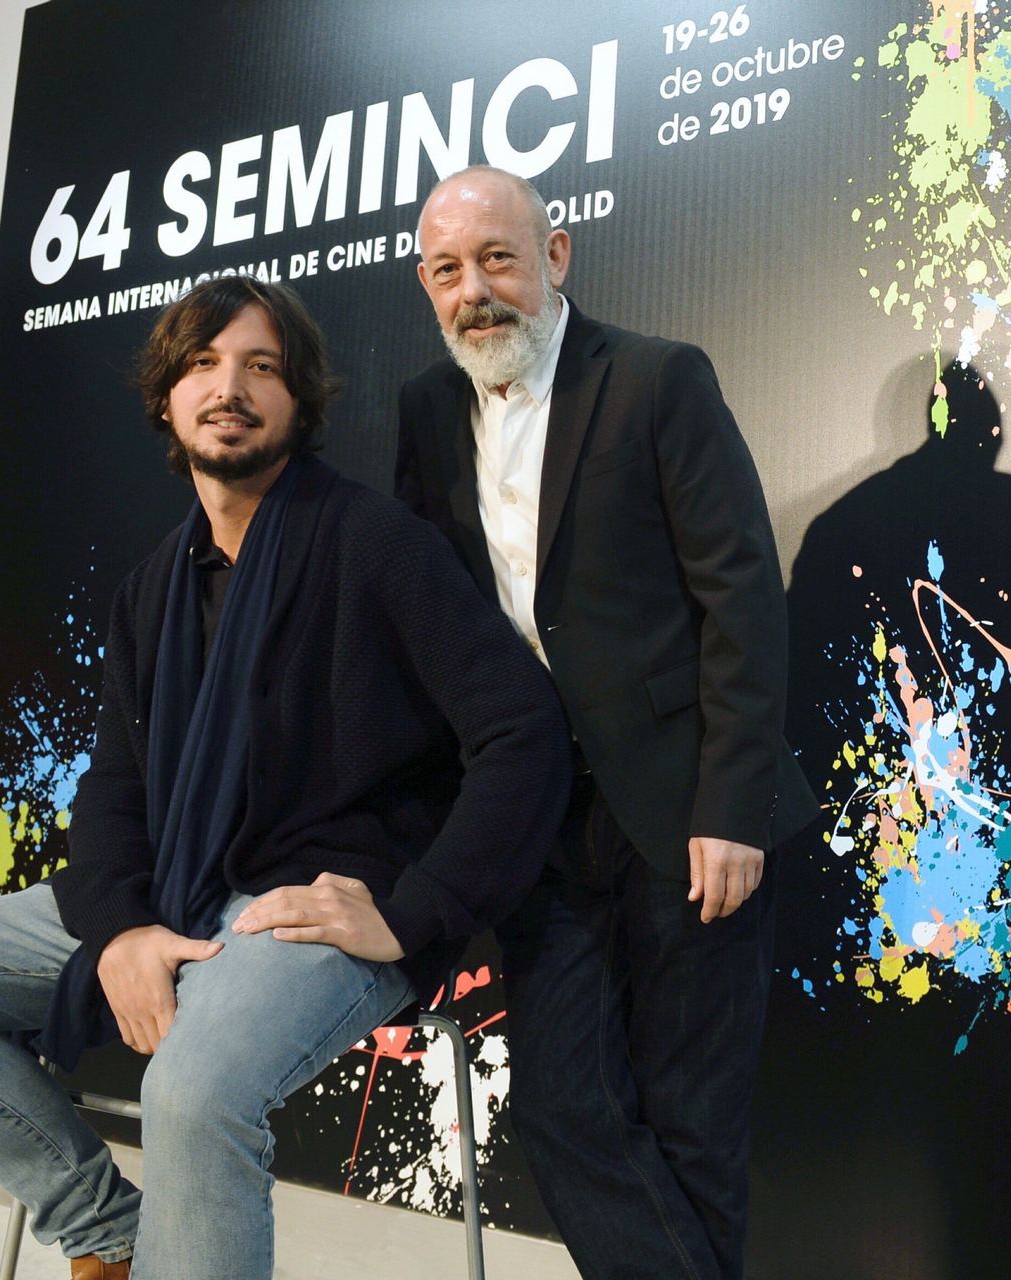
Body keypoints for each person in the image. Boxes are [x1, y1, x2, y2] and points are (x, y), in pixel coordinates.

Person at [0, 277, 568, 1280]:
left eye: (261, 366)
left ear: (299, 403)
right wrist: (123, 929)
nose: (230, 385)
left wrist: (415, 909)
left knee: (193, 1088)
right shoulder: (155, 588)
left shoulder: (373, 542)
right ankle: (107, 1226)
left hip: (314, 901)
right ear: (168, 398)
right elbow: (117, 794)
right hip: (175, 887)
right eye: (204, 363)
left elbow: (523, 730)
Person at [396, 165, 816, 1279]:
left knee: (693, 1122)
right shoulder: (426, 411)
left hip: (687, 807)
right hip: (537, 815)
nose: (474, 291)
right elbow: (428, 617)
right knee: (563, 1105)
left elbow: (740, 593)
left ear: (557, 255)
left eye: (497, 258)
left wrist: (731, 804)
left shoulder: (657, 379)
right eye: (447, 270)